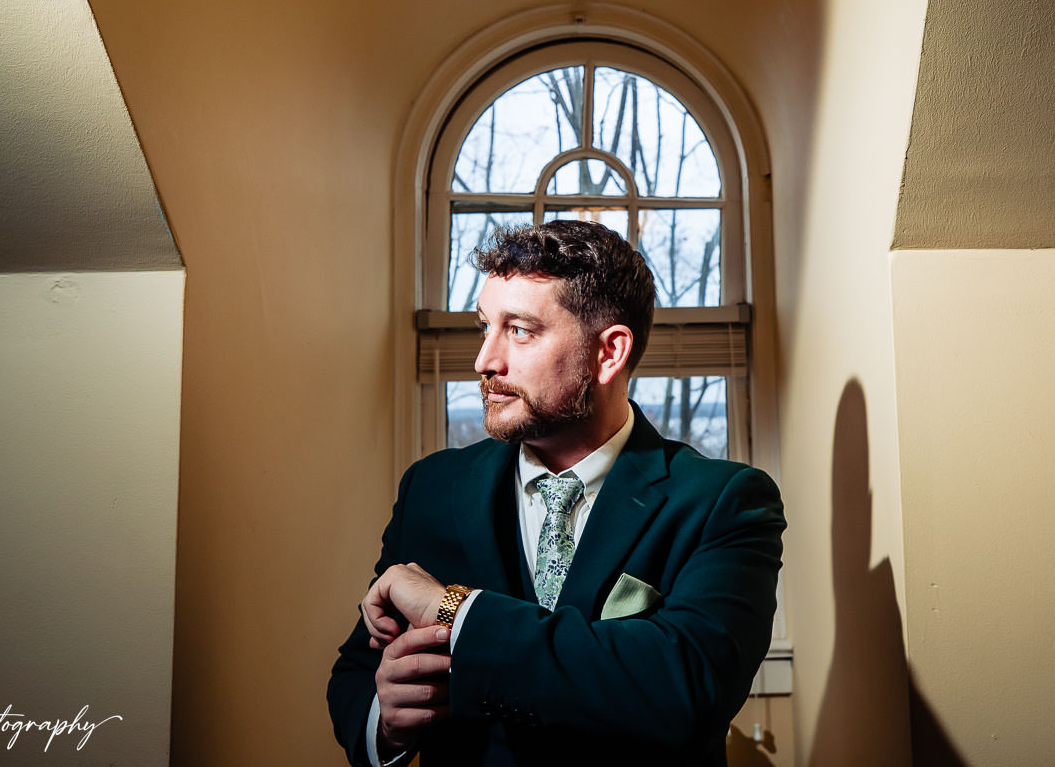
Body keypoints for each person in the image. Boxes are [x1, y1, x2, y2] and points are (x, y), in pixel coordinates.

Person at [327, 220, 784, 766]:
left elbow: (688, 687)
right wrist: (386, 722)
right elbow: (357, 675)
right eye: (485, 327)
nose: (485, 361)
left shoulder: (723, 502)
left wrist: (453, 611)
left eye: (519, 330)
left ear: (609, 353)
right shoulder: (432, 488)